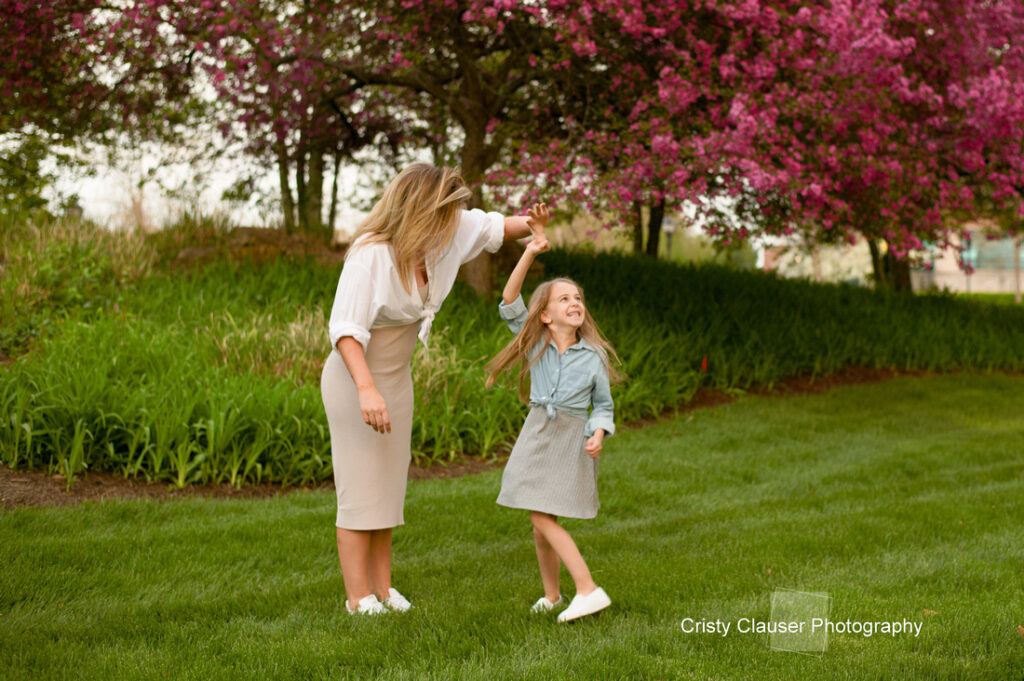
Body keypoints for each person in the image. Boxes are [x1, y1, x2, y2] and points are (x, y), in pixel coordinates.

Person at [321, 164, 538, 615]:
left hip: (397, 380)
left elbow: (499, 226)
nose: (453, 222)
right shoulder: (371, 254)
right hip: (354, 380)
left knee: (386, 489)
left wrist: (534, 222)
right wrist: (366, 390)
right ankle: (357, 597)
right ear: (419, 212)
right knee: (360, 488)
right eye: (444, 214)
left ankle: (383, 588)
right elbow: (345, 330)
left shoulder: (449, 233)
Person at [485, 203, 622, 623]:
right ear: (545, 315)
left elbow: (603, 405)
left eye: (577, 298)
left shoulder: (593, 356)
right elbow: (509, 302)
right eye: (564, 298)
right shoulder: (536, 344)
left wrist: (599, 432)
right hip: (538, 432)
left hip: (571, 438)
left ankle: (587, 588)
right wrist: (532, 249)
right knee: (539, 518)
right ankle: (552, 596)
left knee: (542, 514)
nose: (574, 302)